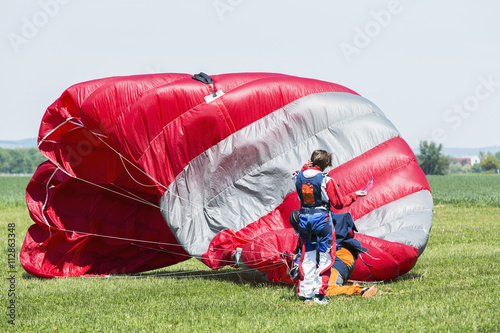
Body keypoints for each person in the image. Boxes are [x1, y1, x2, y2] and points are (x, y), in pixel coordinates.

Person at [291, 149, 366, 304]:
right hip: (321, 220)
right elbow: (339, 203)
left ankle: (305, 294)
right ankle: (319, 295)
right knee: (326, 257)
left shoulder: (298, 176)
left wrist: (306, 166)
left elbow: (303, 174)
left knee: (307, 256)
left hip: (304, 219)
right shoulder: (327, 180)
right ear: (326, 165)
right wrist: (354, 195)